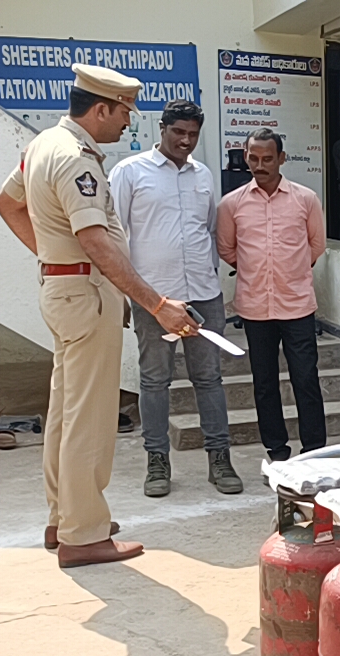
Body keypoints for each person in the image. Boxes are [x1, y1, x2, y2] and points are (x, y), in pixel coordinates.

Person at [0, 64, 195, 568]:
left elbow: (7, 205)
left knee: (66, 410)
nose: (129, 122)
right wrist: (157, 305)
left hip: (64, 289)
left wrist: (53, 260)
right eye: (125, 112)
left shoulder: (44, 145)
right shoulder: (76, 159)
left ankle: (64, 518)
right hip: (86, 294)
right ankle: (83, 535)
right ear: (101, 109)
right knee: (91, 417)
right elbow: (95, 242)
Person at [110, 99, 241, 498]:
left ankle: (220, 460)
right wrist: (124, 294)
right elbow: (114, 236)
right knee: (154, 380)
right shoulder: (130, 172)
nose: (185, 140)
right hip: (154, 298)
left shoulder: (203, 175)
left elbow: (207, 229)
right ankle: (157, 462)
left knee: (209, 378)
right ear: (162, 129)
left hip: (203, 294)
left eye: (193, 135)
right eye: (179, 132)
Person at [217, 129, 327, 465]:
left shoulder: (305, 199)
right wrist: (256, 269)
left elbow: (317, 245)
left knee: (305, 379)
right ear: (245, 158)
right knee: (264, 382)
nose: (260, 165)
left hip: (297, 306)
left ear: (282, 158)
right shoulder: (231, 204)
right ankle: (277, 450)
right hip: (254, 308)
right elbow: (227, 249)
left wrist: (291, 269)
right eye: (253, 158)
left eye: (267, 158)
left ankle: (314, 450)